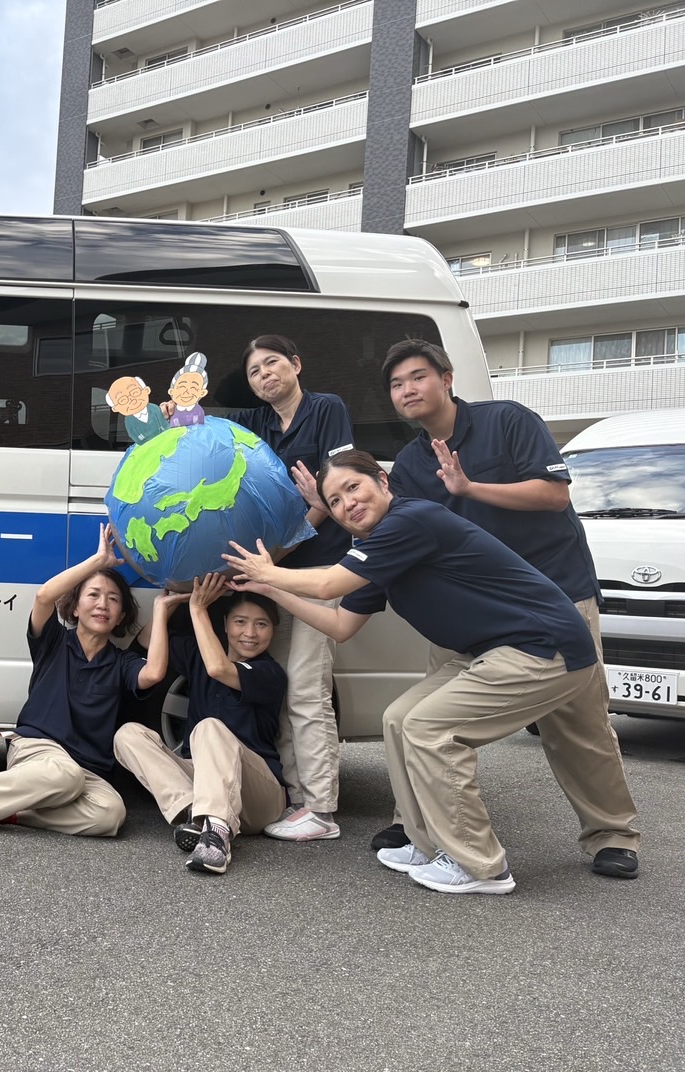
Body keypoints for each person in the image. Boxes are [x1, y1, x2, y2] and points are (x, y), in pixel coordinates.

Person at [223, 450, 641, 894]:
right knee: (399, 718)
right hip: (492, 650)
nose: (348, 503)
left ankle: (479, 865)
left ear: (383, 482)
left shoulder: (411, 520)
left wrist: (270, 570)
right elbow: (341, 625)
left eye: (353, 487)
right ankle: (425, 841)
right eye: (336, 501)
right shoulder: (376, 548)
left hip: (544, 647)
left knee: (430, 728)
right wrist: (272, 589)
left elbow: (329, 584)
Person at [363, 338, 637, 876]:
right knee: (421, 715)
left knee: (578, 726)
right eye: (396, 384)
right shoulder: (413, 462)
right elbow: (399, 531)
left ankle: (612, 834)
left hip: (556, 596)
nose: (407, 390)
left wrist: (470, 487)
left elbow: (554, 494)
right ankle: (417, 824)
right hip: (469, 611)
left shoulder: (508, 420)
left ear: (447, 379)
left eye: (418, 377)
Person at [0, 525, 167, 836]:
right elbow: (44, 596)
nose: (103, 604)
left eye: (113, 599)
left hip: (86, 769)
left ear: (120, 616)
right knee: (65, 775)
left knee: (110, 813)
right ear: (74, 608)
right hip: (37, 752)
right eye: (93, 595)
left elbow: (153, 673)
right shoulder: (53, 642)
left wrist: (161, 608)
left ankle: (13, 812)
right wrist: (99, 561)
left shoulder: (121, 663)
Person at [230, 335, 354, 842]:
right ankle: (297, 798)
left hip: (318, 570)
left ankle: (321, 810)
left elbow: (333, 489)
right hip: (275, 572)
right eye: (255, 371)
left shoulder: (327, 409)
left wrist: (275, 558)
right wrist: (175, 415)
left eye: (272, 363)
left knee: (306, 687)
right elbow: (209, 432)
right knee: (282, 686)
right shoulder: (256, 422)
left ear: (296, 365)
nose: (265, 375)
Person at [115, 573, 288, 874]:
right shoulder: (199, 655)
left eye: (261, 624)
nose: (250, 633)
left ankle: (217, 837)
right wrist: (161, 609)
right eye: (240, 622)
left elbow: (219, 668)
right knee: (127, 735)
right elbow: (146, 642)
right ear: (225, 625)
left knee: (209, 727)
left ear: (273, 631)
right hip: (206, 785)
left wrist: (197, 608)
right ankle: (195, 816)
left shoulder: (269, 673)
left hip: (258, 797)